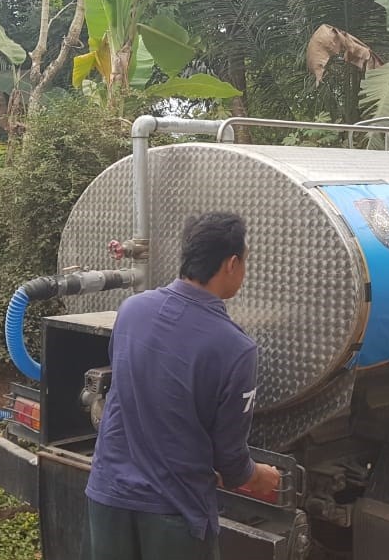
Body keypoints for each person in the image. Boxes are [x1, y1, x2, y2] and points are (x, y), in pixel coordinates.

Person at [84, 211, 281, 560]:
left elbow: (128, 389)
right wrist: (260, 476)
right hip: (173, 510)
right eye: (245, 262)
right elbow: (231, 460)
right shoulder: (235, 348)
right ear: (232, 263)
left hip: (107, 496)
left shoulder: (132, 310)